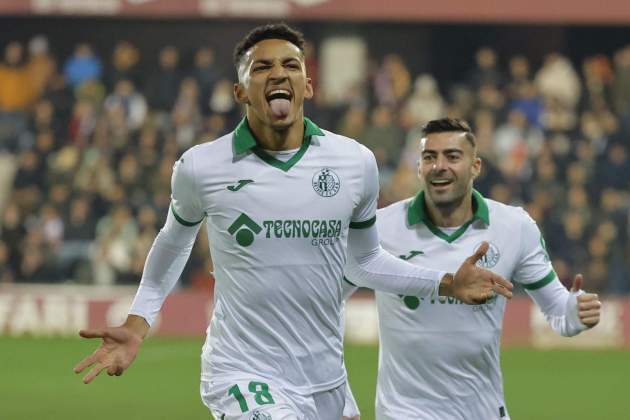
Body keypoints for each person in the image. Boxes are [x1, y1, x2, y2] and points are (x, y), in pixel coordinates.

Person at [73, 24, 513, 420]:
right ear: (241, 91)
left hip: (327, 382)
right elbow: (173, 242)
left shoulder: (355, 163)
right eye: (261, 67)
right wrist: (137, 323)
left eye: (290, 64)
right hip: (243, 373)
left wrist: (446, 282)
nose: (278, 73)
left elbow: (364, 263)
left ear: (309, 85)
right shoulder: (202, 167)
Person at [345, 118, 602, 420]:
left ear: (476, 166)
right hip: (405, 413)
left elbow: (558, 310)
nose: (439, 166)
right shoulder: (382, 229)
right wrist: (343, 397)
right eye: (430, 157)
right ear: (419, 168)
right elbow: (323, 304)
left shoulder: (514, 227)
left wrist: (573, 312)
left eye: (452, 156)